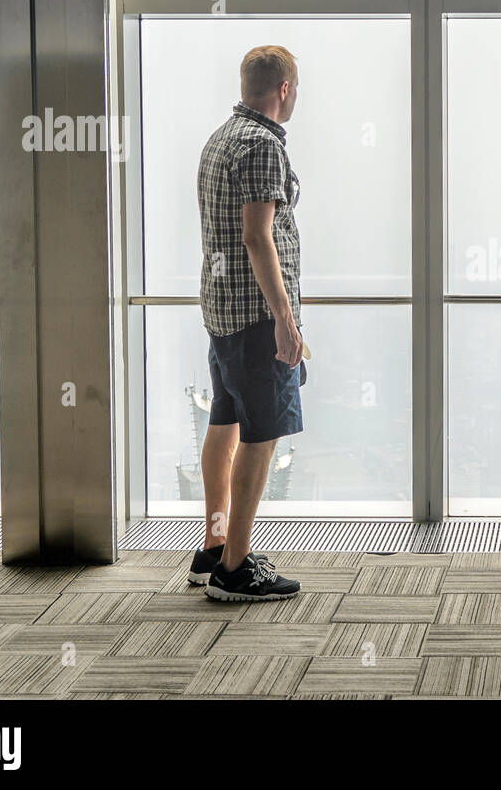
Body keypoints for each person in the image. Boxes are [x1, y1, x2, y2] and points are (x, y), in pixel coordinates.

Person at [189, 45, 306, 602]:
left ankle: (212, 547)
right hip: (257, 317)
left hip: (222, 310)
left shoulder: (221, 138)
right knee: (262, 435)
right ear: (284, 88)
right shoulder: (262, 145)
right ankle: (234, 569)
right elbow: (258, 237)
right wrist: (284, 320)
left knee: (224, 423)